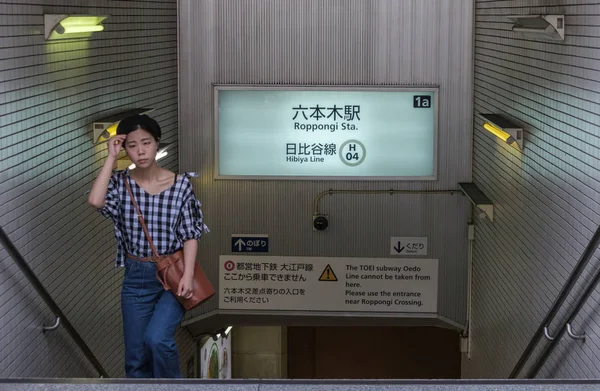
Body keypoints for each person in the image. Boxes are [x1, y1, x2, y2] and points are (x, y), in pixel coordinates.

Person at [88, 114, 209, 378]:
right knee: (135, 358)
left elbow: (191, 234)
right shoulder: (121, 183)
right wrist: (110, 156)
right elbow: (96, 200)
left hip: (172, 275)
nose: (140, 151)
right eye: (132, 145)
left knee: (157, 339)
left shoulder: (180, 185)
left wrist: (188, 274)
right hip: (136, 278)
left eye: (146, 143)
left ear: (157, 144)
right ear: (124, 148)